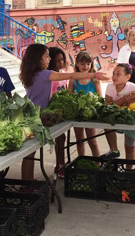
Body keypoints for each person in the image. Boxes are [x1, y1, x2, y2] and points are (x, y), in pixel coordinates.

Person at [20, 43, 108, 181]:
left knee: (30, 154)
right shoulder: (45, 74)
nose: (49, 59)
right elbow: (71, 75)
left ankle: (28, 183)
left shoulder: (30, 74)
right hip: (40, 117)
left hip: (31, 115)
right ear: (37, 59)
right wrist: (95, 74)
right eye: (46, 56)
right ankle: (29, 183)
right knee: (32, 152)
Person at [101, 63, 135, 164]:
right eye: (113, 73)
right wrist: (123, 99)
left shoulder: (132, 87)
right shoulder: (110, 86)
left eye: (118, 74)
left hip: (130, 121)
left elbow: (131, 107)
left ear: (127, 77)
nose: (114, 77)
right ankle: (114, 150)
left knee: (130, 149)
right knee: (107, 123)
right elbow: (108, 105)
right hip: (116, 118)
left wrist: (119, 103)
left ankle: (129, 172)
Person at [70, 51, 101, 158]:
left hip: (90, 115)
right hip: (77, 115)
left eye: (88, 64)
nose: (86, 66)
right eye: (82, 64)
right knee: (80, 140)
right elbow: (69, 96)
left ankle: (98, 163)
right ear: (77, 64)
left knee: (92, 141)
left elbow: (100, 97)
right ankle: (82, 162)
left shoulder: (94, 79)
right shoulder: (73, 79)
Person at [48, 47, 69, 178]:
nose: (61, 63)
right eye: (57, 61)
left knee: (62, 138)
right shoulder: (49, 76)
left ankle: (60, 164)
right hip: (51, 112)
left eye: (62, 60)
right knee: (59, 138)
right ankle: (59, 165)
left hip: (62, 111)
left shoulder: (63, 76)